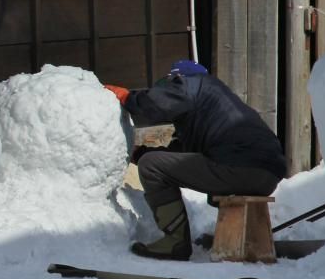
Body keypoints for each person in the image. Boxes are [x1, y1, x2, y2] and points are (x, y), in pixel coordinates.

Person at [103, 60, 286, 261]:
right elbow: (188, 153)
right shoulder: (216, 101)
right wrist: (141, 152)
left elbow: (155, 104)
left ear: (178, 77)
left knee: (151, 166)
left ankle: (174, 243)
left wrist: (128, 97)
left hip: (239, 166)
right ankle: (242, 240)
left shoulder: (191, 84)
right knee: (152, 160)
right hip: (268, 174)